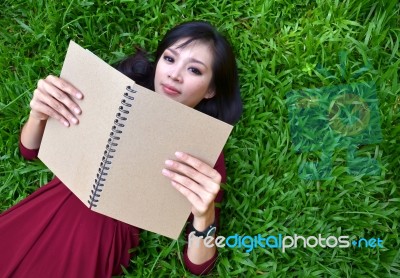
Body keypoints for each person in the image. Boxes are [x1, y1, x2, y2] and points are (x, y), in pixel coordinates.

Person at [0, 21, 242, 277]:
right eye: (169, 59)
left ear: (211, 89)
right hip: (50, 204)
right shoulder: (115, 93)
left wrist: (204, 216)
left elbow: (199, 265)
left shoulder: (205, 149)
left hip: (100, 239)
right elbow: (30, 151)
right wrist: (38, 115)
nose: (174, 74)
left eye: (194, 69)